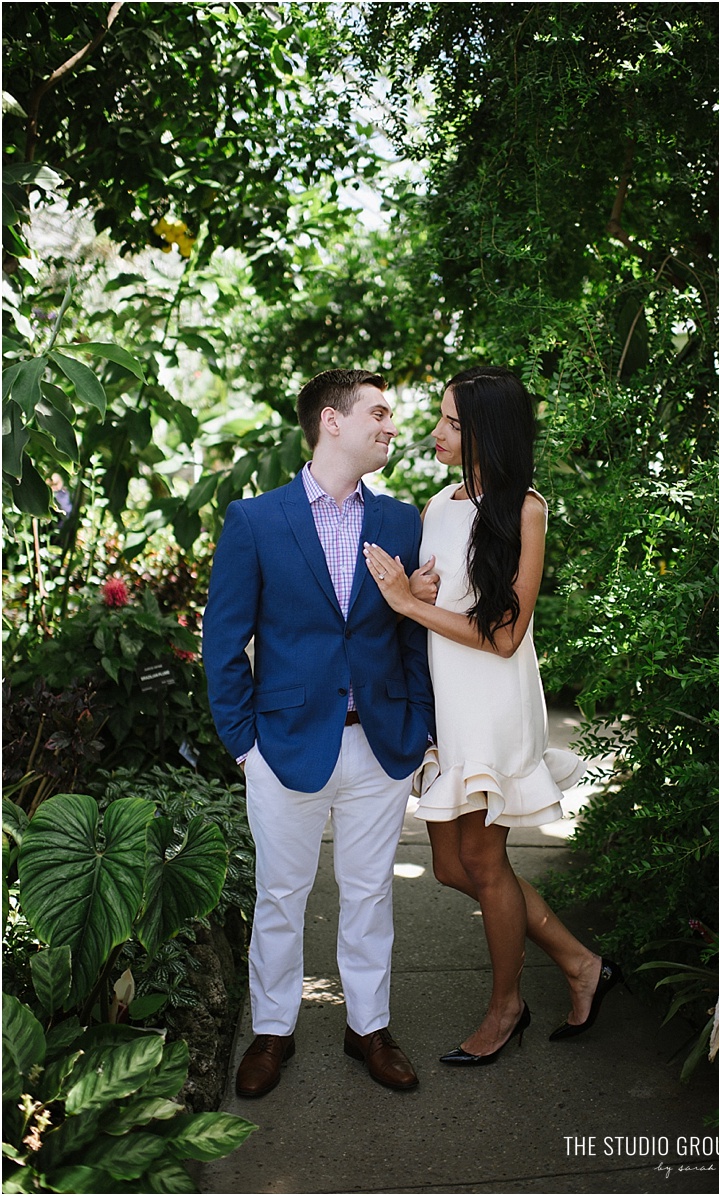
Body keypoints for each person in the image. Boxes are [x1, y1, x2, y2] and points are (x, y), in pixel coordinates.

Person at [363, 365, 621, 1066]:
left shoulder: (524, 508)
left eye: (452, 422)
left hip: (495, 707)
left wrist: (410, 604)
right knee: (452, 865)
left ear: (487, 432)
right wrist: (418, 592)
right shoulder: (438, 505)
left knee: (482, 857)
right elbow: (443, 607)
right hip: (450, 708)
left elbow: (505, 635)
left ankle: (507, 1007)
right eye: (442, 419)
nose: (437, 432)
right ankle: (578, 961)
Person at [203, 368, 434, 1097]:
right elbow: (223, 644)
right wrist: (245, 745)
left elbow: (411, 639)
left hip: (380, 743)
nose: (391, 426)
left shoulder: (400, 521)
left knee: (370, 895)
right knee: (279, 894)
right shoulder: (256, 520)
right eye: (379, 412)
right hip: (284, 744)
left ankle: (368, 1027)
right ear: (331, 422)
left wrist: (420, 733)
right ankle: (272, 1031)